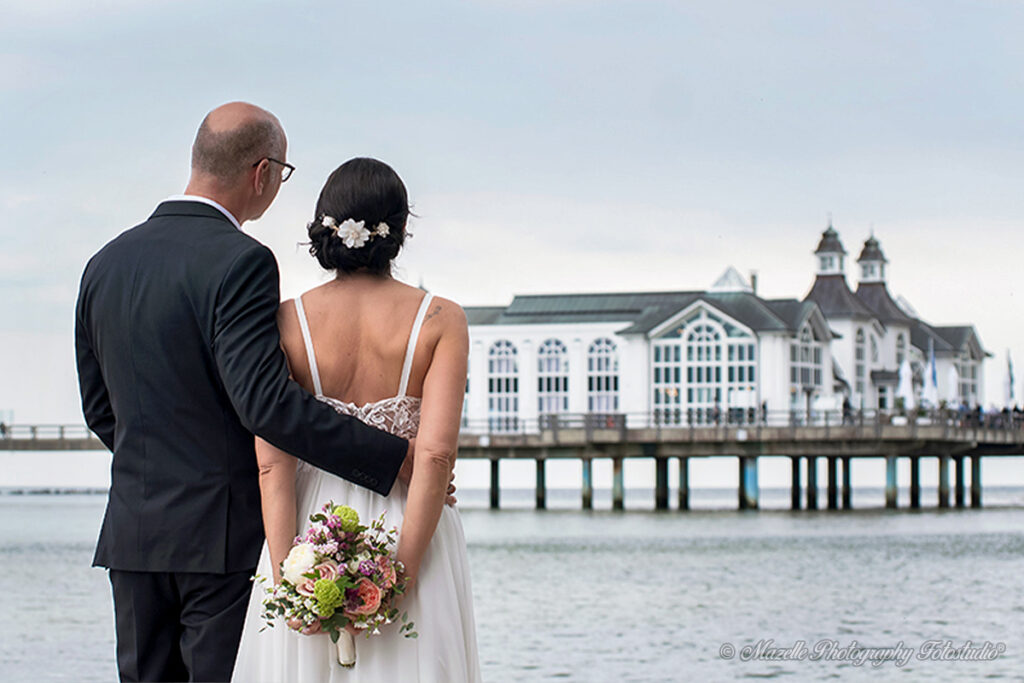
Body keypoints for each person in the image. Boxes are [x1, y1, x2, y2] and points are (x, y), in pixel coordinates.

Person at [74, 104, 418, 683]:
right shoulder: (241, 262)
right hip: (222, 538)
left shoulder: (104, 263)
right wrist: (390, 456)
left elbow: (98, 408)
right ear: (262, 173)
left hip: (133, 535)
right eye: (282, 176)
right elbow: (266, 404)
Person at [232, 158, 481, 682]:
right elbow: (435, 456)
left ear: (326, 227)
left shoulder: (286, 319)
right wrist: (402, 578)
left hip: (309, 524)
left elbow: (273, 467)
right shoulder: (442, 319)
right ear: (400, 230)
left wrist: (288, 580)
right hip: (410, 521)